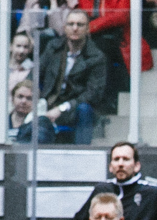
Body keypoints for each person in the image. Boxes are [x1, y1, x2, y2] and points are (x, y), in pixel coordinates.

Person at [37, 10, 108, 145]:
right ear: (65, 28)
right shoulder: (53, 47)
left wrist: (62, 108)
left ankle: (82, 152)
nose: (75, 28)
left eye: (80, 25)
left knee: (84, 109)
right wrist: (34, 97)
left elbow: (93, 93)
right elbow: (35, 74)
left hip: (76, 108)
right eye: (71, 24)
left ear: (87, 29)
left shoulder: (97, 57)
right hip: (49, 103)